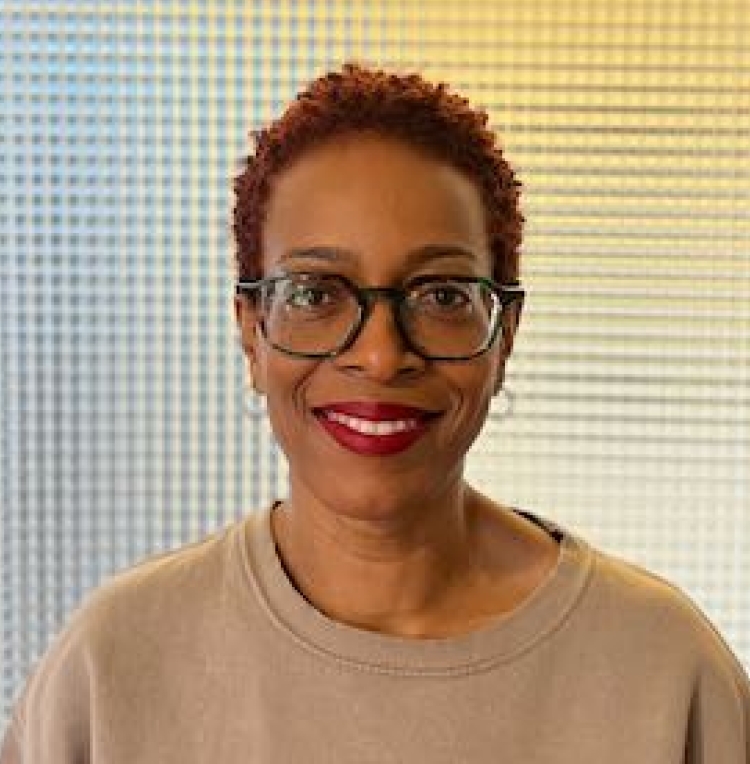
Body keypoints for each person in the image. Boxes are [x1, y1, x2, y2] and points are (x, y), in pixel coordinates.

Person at [2, 63, 748, 763]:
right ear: (250, 330)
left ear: (506, 333)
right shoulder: (116, 663)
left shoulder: (663, 672)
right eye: (317, 293)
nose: (383, 355)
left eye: (442, 295)